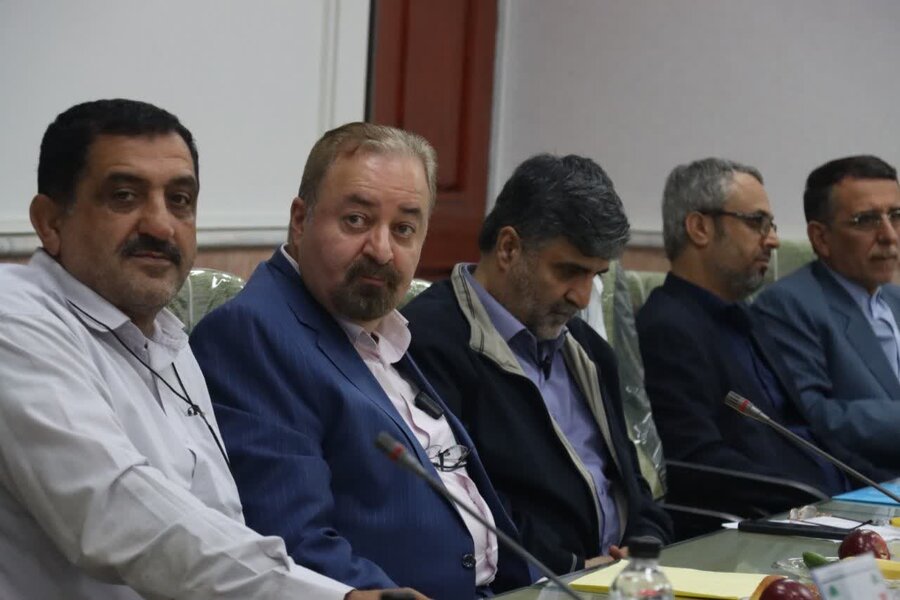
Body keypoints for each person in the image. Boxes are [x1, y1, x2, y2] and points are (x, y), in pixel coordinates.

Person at [0, 99, 408, 599]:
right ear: (49, 222)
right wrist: (332, 597)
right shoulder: (15, 317)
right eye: (124, 197)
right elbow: (115, 512)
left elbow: (223, 524)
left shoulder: (167, 339)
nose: (160, 226)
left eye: (180, 200)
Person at [190, 122, 532, 598]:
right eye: (356, 220)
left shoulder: (384, 329)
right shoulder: (253, 334)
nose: (382, 250)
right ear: (300, 220)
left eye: (404, 229)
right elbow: (293, 545)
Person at [401, 154, 672, 575]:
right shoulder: (430, 340)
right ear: (509, 248)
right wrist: (573, 566)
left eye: (596, 275)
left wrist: (645, 547)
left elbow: (632, 488)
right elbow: (462, 506)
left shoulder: (589, 351)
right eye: (569, 271)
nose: (583, 297)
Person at [636, 158, 888, 516]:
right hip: (777, 518)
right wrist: (817, 500)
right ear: (699, 228)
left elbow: (811, 434)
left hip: (827, 507)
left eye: (771, 225)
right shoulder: (668, 328)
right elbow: (698, 461)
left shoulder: (747, 317)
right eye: (757, 222)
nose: (773, 240)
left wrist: (880, 489)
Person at [753, 155, 900, 473]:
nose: (890, 235)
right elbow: (811, 416)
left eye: (896, 216)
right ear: (821, 238)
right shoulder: (788, 305)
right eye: (866, 220)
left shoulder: (894, 298)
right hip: (867, 485)